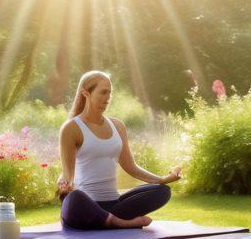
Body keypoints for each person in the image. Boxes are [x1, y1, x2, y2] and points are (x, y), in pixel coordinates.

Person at [57, 70, 182, 230]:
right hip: (86, 205)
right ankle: (120, 223)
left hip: (115, 205)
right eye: (103, 92)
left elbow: (131, 167)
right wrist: (63, 184)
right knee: (74, 198)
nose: (108, 98)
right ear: (86, 93)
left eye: (110, 92)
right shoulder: (72, 128)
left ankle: (107, 220)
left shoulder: (117, 126)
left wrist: (163, 179)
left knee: (162, 192)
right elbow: (68, 175)